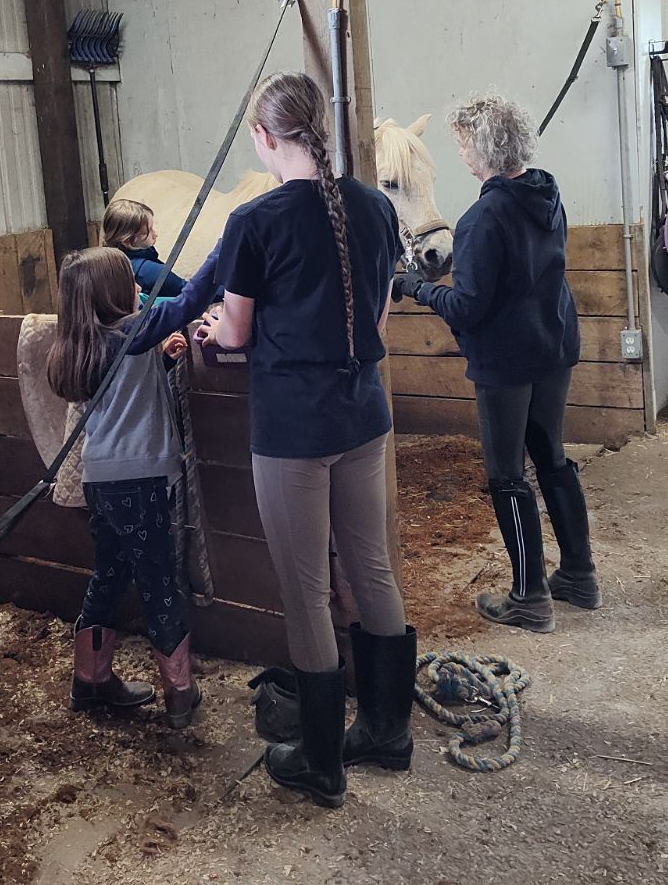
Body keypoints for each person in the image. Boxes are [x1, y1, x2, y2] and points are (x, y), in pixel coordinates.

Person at [197, 71, 413, 810]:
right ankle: (388, 730)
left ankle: (322, 761)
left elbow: (234, 333)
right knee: (372, 569)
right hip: (363, 416)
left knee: (306, 591)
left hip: (293, 430)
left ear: (263, 138)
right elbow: (378, 324)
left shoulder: (253, 224)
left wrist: (202, 335)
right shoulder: (377, 208)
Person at [394, 95, 595, 635]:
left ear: (479, 148)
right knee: (551, 457)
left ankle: (530, 596)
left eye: (461, 141)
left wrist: (416, 287)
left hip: (507, 359)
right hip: (553, 344)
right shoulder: (545, 193)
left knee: (507, 474)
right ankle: (578, 573)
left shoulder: (482, 216)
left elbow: (467, 307)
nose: (459, 150)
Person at [46, 242, 221, 728]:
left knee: (110, 574)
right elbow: (188, 302)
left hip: (102, 479)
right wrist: (226, 247)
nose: (140, 289)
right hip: (139, 481)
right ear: (113, 293)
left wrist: (162, 364)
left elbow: (121, 393)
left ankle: (91, 679)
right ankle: (180, 691)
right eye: (131, 282)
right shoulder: (132, 330)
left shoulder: (81, 341)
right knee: (160, 583)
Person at [102, 198, 190, 298]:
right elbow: (193, 292)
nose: (155, 234)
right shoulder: (151, 272)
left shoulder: (104, 263)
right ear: (126, 240)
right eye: (147, 231)